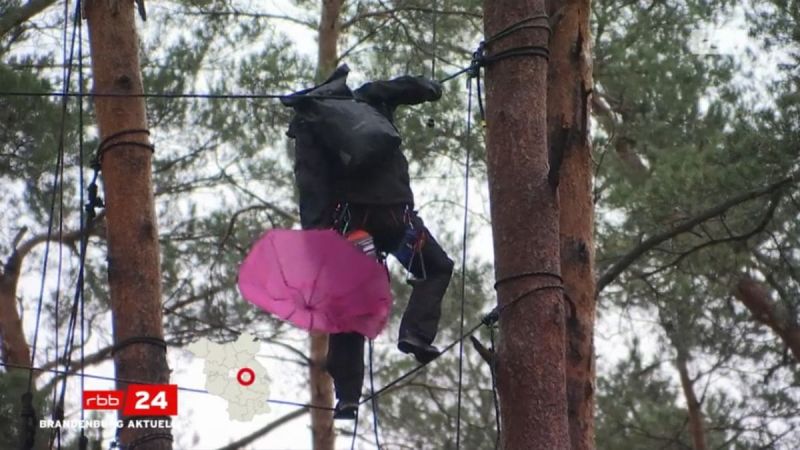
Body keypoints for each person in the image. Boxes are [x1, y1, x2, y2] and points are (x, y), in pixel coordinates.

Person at [284, 66, 454, 419]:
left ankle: (347, 395)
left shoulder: (311, 129)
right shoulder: (370, 99)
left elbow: (311, 190)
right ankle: (416, 335)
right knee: (436, 267)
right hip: (397, 221)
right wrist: (430, 88)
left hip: (354, 230)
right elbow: (406, 86)